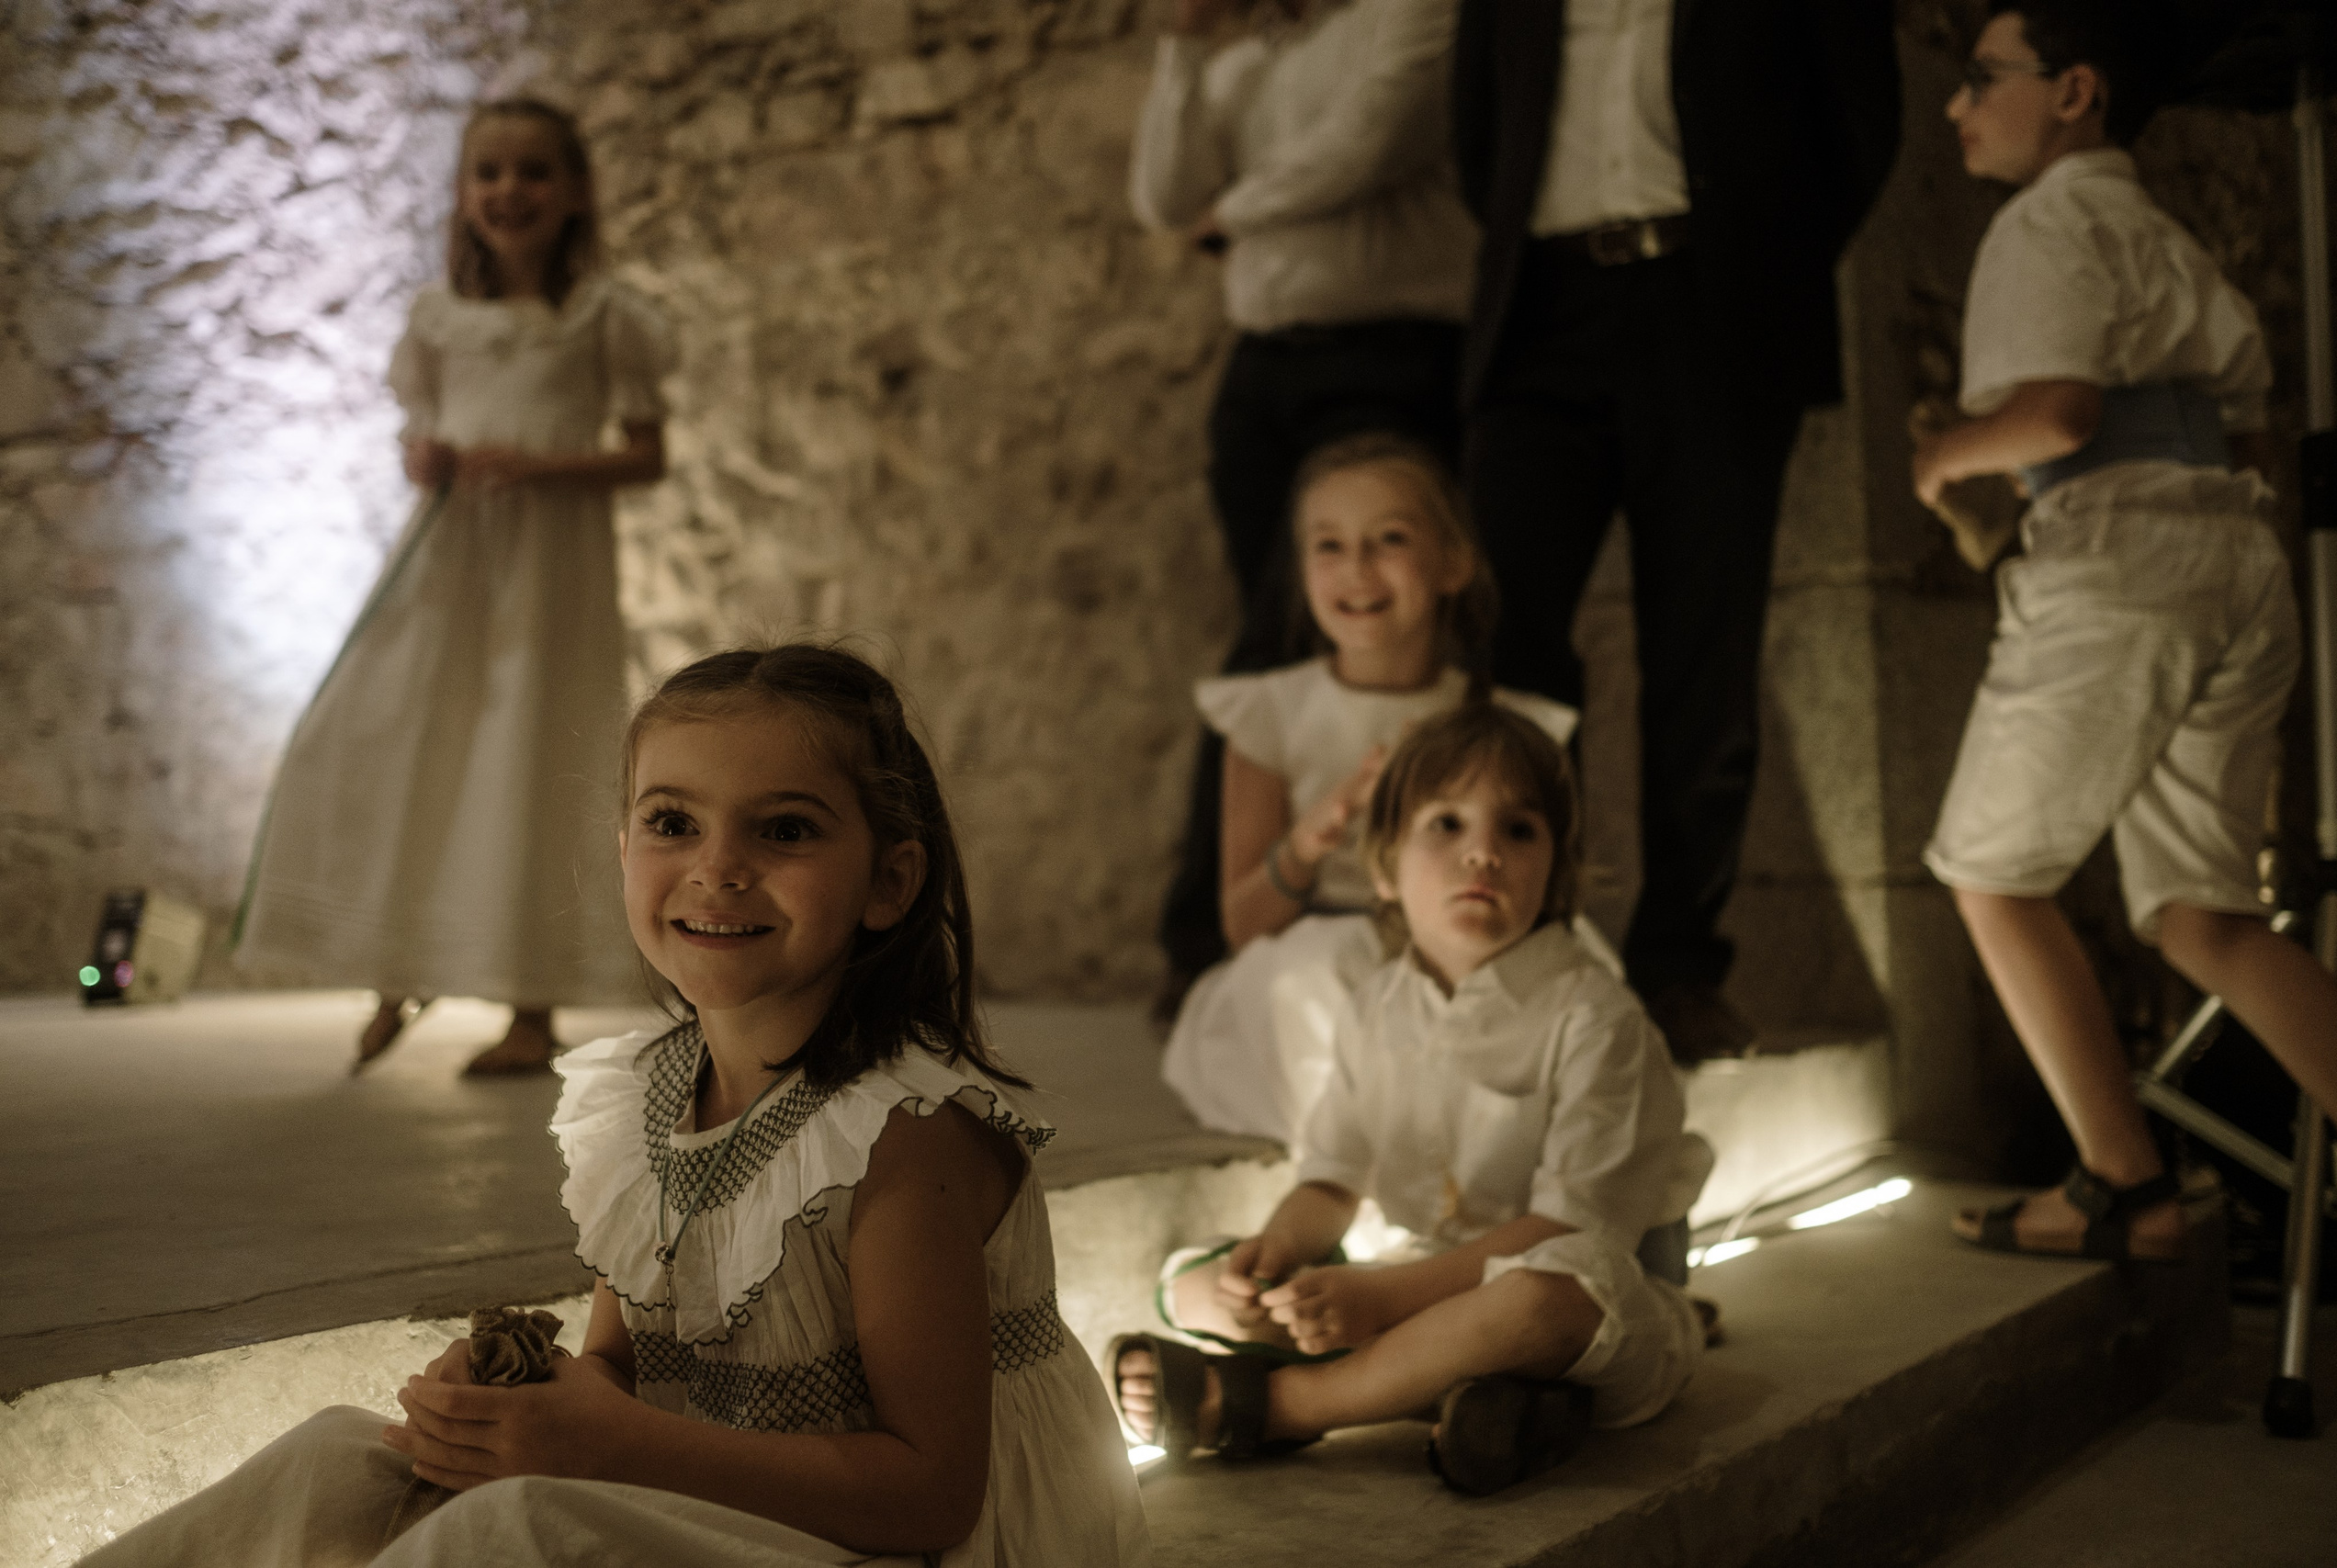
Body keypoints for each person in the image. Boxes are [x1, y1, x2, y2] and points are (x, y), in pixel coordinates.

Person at [84, 645, 1150, 1566]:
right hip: (762, 1512)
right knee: (343, 1460)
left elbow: (931, 1493)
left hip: (926, 1549)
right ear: (623, 847)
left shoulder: (901, 1140)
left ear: (889, 882)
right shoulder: (646, 1097)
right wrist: (522, 1405)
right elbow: (621, 1371)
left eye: (783, 831)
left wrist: (608, 1450)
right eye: (673, 822)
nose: (717, 869)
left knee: (514, 1538)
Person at [1916, 1, 2337, 1260]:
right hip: (2233, 556)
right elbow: (2237, 431)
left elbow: (2057, 417)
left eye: (1982, 77)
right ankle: (2129, 1184)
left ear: (2074, 91)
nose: (1958, 104)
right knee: (2207, 917)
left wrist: (1947, 455)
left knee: (1990, 874)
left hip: (2125, 568)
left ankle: (2126, 1179)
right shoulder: (2163, 234)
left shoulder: (2043, 222)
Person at [1451, 0, 1901, 1060]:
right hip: (1541, 308)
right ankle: (1520, 937)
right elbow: (1479, 135)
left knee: (1704, 647)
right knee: (1504, 639)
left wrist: (1758, 261)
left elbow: (1861, 126)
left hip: (1711, 304)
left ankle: (1680, 965)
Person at [1114, 703, 1711, 1496]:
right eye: (1447, 824)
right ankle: (1481, 1399)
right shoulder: (1374, 1006)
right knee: (1191, 1282)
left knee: (1542, 1297)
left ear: (1556, 873)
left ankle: (1285, 1403)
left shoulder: (1595, 1016)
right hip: (1425, 1286)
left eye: (1519, 830)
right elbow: (1333, 1174)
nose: (1484, 854)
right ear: (1386, 869)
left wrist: (1380, 1297)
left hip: (1593, 1304)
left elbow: (1574, 1227)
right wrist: (1281, 1250)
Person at [234, 97, 670, 1074]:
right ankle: (396, 966)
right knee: (406, 740)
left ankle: (530, 1009)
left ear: (574, 193)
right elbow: (417, 442)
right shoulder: (435, 322)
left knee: (532, 757)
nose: (508, 191)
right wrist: (426, 457)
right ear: (464, 196)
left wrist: (540, 468)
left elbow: (646, 456)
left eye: (532, 172)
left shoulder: (604, 318)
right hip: (451, 569)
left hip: (552, 574)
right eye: (489, 173)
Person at [1131, 0, 1478, 1013]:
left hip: (1390, 356)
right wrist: (1181, 47)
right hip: (1262, 374)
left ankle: (1395, 914)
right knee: (1265, 641)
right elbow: (1161, 196)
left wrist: (1228, 216)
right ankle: (1216, 930)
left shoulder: (1417, 16)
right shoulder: (1241, 69)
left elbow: (1364, 149)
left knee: (1375, 629)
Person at [1159, 433, 1581, 1145]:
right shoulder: (1271, 713)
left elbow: (1553, 888)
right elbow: (1242, 924)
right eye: (1328, 545)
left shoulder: (1504, 722)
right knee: (1314, 991)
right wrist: (1315, 835)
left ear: (1453, 563)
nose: (1356, 568)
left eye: (1388, 538)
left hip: (1464, 936)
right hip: (1321, 940)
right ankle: (1365, 1162)